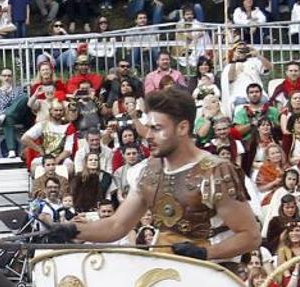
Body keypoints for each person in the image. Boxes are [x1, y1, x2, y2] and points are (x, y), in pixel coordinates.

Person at [41, 87, 260, 261]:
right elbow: (117, 225)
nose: (148, 136)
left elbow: (250, 236)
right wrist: (72, 230)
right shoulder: (152, 169)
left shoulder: (216, 171)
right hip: (163, 270)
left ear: (182, 128)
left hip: (211, 279)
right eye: (149, 128)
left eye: (157, 128)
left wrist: (207, 253)